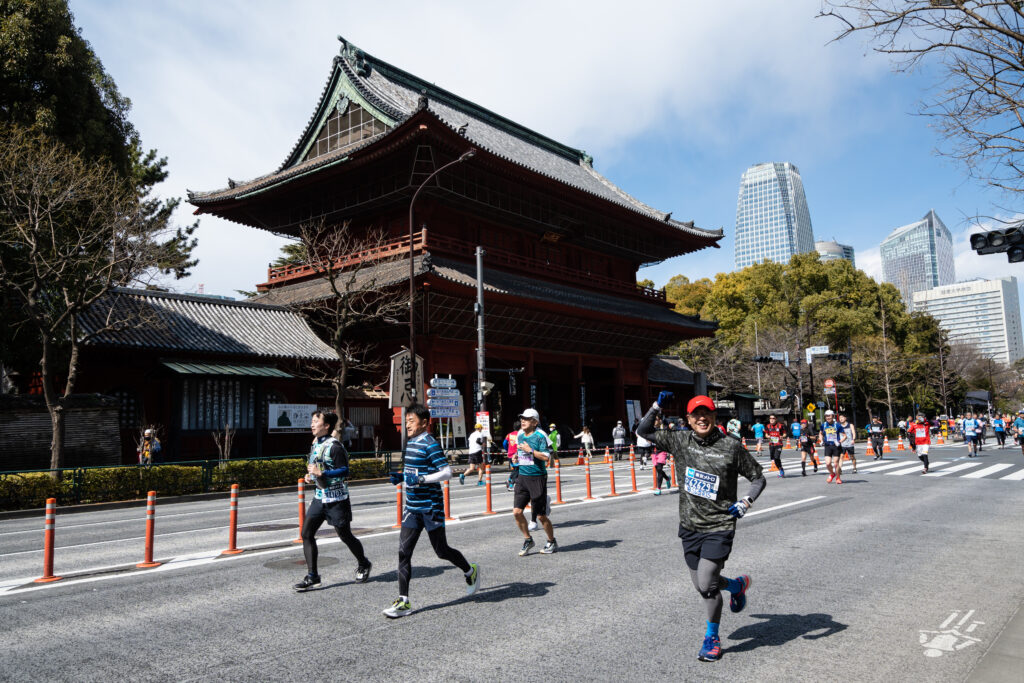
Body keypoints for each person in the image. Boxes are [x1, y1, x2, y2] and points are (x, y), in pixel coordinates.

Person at [637, 392, 766, 663]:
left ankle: (712, 637)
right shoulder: (680, 440)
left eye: (706, 413)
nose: (702, 418)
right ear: (688, 419)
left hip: (720, 524)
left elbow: (757, 477)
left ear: (714, 416)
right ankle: (736, 586)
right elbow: (643, 431)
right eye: (696, 414)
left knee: (707, 584)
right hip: (690, 526)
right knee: (702, 585)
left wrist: (746, 501)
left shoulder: (730, 446)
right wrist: (656, 406)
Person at [382, 405, 479, 618]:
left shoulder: (430, 444)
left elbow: (446, 473)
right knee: (403, 552)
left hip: (431, 506)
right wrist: (402, 477)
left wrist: (421, 479)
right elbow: (415, 471)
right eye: (406, 420)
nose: (407, 424)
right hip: (412, 507)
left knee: (441, 551)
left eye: (411, 420)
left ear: (424, 423)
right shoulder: (411, 442)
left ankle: (470, 571)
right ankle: (403, 601)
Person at [294, 411, 372, 591]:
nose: (312, 424)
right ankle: (312, 576)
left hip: (337, 498)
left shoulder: (335, 446)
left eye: (316, 421)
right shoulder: (315, 444)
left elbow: (345, 471)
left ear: (326, 425)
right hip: (319, 497)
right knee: (306, 534)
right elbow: (316, 468)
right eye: (312, 421)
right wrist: (311, 476)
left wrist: (323, 473)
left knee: (345, 535)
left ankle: (363, 563)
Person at [512, 408, 557, 556]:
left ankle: (551, 541)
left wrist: (530, 450)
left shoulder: (540, 436)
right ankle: (528, 539)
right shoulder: (520, 435)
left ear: (535, 422)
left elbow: (546, 457)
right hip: (522, 477)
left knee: (540, 516)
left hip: (537, 477)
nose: (523, 421)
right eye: (522, 418)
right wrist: (516, 456)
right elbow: (521, 452)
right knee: (517, 512)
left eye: (526, 418)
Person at [819, 410, 843, 484]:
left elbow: (845, 436)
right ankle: (832, 474)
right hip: (827, 446)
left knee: (836, 463)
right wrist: (821, 440)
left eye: (829, 416)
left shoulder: (838, 425)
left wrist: (839, 442)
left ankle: (838, 478)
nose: (828, 417)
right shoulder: (823, 425)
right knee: (828, 463)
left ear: (833, 416)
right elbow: (820, 433)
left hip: (836, 446)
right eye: (826, 416)